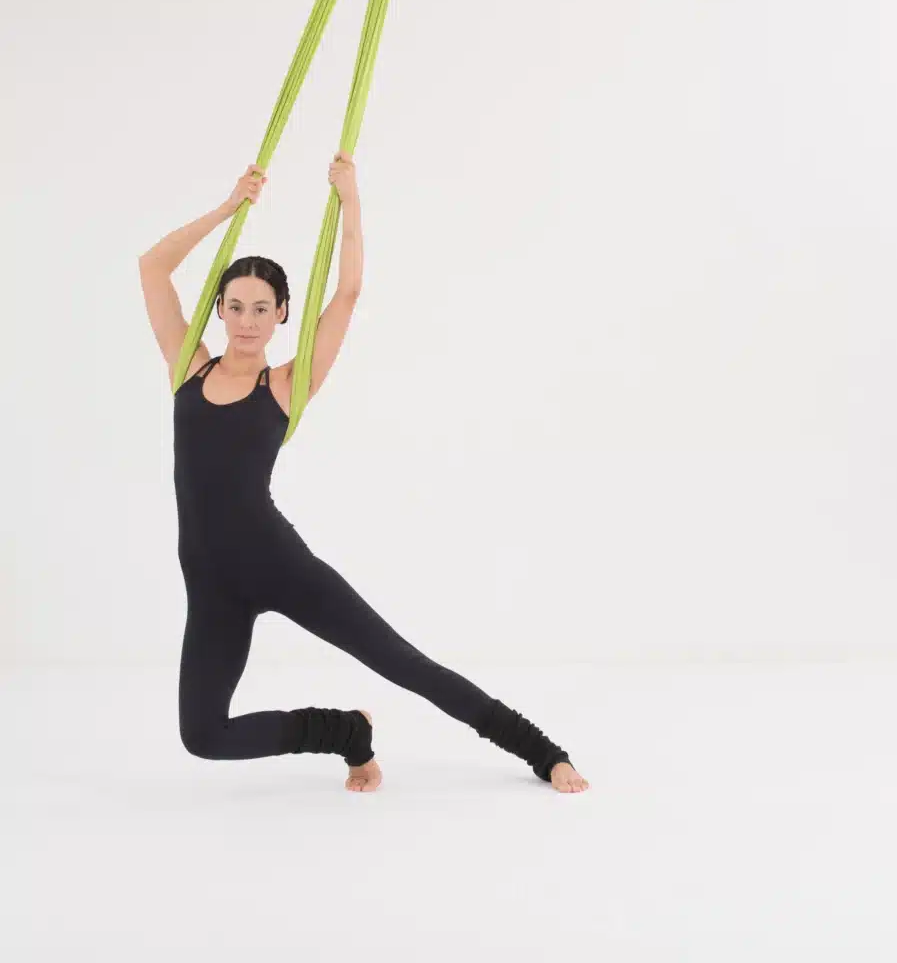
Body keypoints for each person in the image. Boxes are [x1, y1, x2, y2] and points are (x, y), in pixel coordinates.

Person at [138, 154, 589, 794]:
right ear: (219, 309)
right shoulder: (189, 368)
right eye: (235, 306)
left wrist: (350, 200)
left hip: (279, 565)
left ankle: (541, 750)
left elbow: (347, 294)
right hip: (211, 582)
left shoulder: (286, 386)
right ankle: (345, 733)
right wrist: (228, 208)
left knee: (401, 663)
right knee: (203, 737)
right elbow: (152, 266)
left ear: (282, 315)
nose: (245, 322)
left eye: (261, 310)